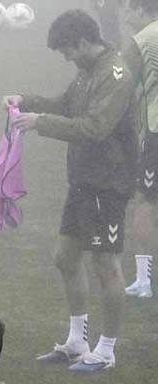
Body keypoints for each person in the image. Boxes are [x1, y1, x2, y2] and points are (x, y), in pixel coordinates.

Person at [5, 9, 136, 372]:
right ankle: (77, 342)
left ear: (82, 41)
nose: (66, 57)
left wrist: (39, 124)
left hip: (107, 183)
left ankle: (106, 350)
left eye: (67, 50)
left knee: (105, 264)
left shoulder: (115, 75)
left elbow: (95, 128)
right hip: (84, 180)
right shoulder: (87, 71)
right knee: (65, 257)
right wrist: (26, 101)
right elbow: (65, 106)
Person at [123, 0, 158, 298]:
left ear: (141, 10)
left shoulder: (142, 41)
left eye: (129, 8)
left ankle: (143, 282)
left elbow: (123, 89)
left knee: (144, 202)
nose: (125, 14)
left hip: (156, 133)